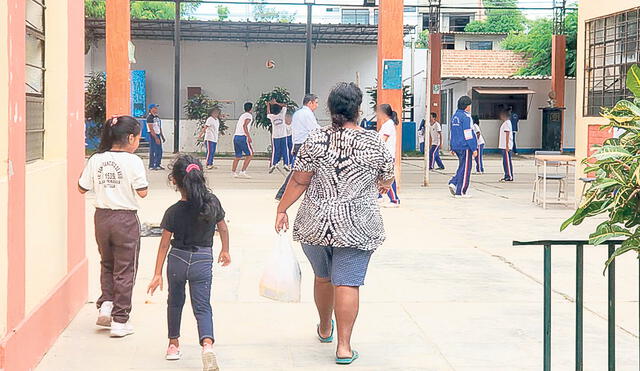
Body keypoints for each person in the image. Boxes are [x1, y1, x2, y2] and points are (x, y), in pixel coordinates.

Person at [275, 82, 395, 365]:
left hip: (316, 223)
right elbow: (387, 179)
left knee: (323, 276)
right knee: (348, 283)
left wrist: (281, 209)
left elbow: (299, 180)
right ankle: (343, 347)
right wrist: (376, 187)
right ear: (358, 109)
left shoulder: (315, 140)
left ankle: (325, 327)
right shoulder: (374, 141)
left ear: (330, 109)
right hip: (358, 224)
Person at [147, 155, 230, 371]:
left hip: (177, 260)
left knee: (175, 302)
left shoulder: (173, 211)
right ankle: (208, 346)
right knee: (202, 306)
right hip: (202, 259)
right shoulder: (212, 203)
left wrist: (156, 273)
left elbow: (164, 245)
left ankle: (173, 345)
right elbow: (223, 228)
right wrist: (225, 250)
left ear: (174, 181)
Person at [78, 115, 149, 338]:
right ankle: (120, 320)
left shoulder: (96, 159)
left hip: (102, 218)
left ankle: (106, 304)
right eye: (138, 138)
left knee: (107, 262)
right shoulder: (133, 161)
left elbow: (81, 188)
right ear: (130, 138)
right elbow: (143, 192)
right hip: (125, 219)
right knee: (125, 269)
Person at [275, 94, 319, 201]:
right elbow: (314, 129)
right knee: (301, 170)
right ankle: (282, 193)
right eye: (316, 102)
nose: (317, 105)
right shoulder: (307, 114)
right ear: (310, 103)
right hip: (305, 145)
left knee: (300, 170)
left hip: (298, 144)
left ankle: (282, 193)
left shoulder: (298, 113)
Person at [448, 96, 478, 198]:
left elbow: (452, 132)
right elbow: (468, 133)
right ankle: (461, 191)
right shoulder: (466, 117)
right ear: (466, 106)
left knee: (462, 166)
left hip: (456, 145)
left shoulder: (455, 116)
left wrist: (451, 146)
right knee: (466, 169)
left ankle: (454, 182)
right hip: (465, 146)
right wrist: (474, 148)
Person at [377, 103, 400, 207]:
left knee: (388, 178)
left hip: (387, 156)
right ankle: (379, 196)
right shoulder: (386, 124)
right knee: (377, 176)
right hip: (384, 155)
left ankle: (394, 200)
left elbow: (382, 141)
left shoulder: (388, 125)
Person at [267, 99, 291, 173]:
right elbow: (285, 105)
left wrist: (268, 104)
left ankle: (273, 164)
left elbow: (268, 112)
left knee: (275, 150)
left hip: (275, 136)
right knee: (285, 150)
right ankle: (286, 164)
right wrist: (276, 103)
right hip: (283, 135)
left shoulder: (272, 117)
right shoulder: (282, 114)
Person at [232, 102, 254, 178]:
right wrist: (248, 136)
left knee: (238, 156)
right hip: (242, 137)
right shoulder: (249, 116)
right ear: (251, 108)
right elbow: (245, 125)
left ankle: (234, 172)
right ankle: (243, 171)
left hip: (236, 136)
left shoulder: (242, 115)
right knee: (250, 154)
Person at [147, 104, 165, 171]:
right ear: (151, 109)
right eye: (155, 108)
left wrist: (162, 136)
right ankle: (151, 165)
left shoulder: (157, 117)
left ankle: (157, 164)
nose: (156, 109)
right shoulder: (150, 118)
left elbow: (159, 127)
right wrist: (156, 138)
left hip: (157, 134)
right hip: (153, 135)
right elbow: (151, 129)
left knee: (159, 151)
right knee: (153, 150)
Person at [499, 109, 514, 182]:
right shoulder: (505, 123)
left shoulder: (507, 123)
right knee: (505, 161)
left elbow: (507, 134)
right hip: (503, 146)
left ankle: (509, 175)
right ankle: (506, 175)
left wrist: (507, 145)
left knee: (507, 161)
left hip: (506, 146)